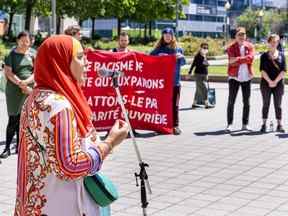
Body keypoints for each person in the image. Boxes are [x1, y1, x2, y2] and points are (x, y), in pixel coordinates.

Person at [14, 35, 129, 216]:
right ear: (61, 61)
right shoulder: (59, 105)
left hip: (36, 204)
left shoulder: (33, 98)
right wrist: (110, 142)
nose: (87, 63)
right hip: (62, 206)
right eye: (80, 57)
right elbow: (70, 166)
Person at [0, 31, 36, 159]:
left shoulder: (33, 54)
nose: (26, 43)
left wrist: (26, 83)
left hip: (28, 89)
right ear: (18, 40)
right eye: (23, 41)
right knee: (13, 119)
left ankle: (21, 147)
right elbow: (8, 73)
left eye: (28, 41)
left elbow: (36, 72)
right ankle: (7, 148)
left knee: (24, 119)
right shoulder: (11, 54)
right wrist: (20, 83)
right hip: (14, 91)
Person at [150, 27, 186, 135]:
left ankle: (175, 126)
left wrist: (181, 57)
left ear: (172, 36)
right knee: (162, 105)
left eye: (169, 35)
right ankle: (161, 126)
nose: (167, 37)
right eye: (165, 35)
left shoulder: (178, 49)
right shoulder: (158, 49)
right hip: (162, 83)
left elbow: (183, 63)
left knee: (175, 105)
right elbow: (149, 60)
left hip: (175, 82)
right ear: (163, 36)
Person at [226, 27, 255, 132]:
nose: (241, 37)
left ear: (245, 36)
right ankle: (229, 124)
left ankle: (245, 124)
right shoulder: (231, 47)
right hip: (234, 77)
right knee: (231, 101)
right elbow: (231, 61)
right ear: (236, 36)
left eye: (243, 35)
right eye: (239, 35)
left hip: (246, 77)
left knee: (246, 102)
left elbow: (251, 58)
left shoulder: (250, 46)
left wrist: (237, 59)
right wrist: (244, 59)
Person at [259, 34, 286, 133]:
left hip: (279, 84)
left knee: (278, 105)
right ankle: (264, 124)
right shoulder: (264, 56)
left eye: (277, 41)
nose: (275, 43)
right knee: (266, 104)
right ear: (269, 42)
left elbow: (283, 71)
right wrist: (270, 81)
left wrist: (275, 81)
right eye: (273, 41)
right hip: (266, 83)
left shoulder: (282, 55)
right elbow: (262, 71)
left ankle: (279, 124)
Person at [189, 42, 213, 109]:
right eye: (204, 48)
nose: (205, 49)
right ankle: (206, 104)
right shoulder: (198, 56)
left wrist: (207, 74)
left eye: (207, 48)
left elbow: (205, 67)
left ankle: (194, 104)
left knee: (198, 90)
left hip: (204, 75)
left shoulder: (205, 56)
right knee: (204, 89)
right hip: (198, 75)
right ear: (200, 48)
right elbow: (193, 64)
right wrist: (189, 72)